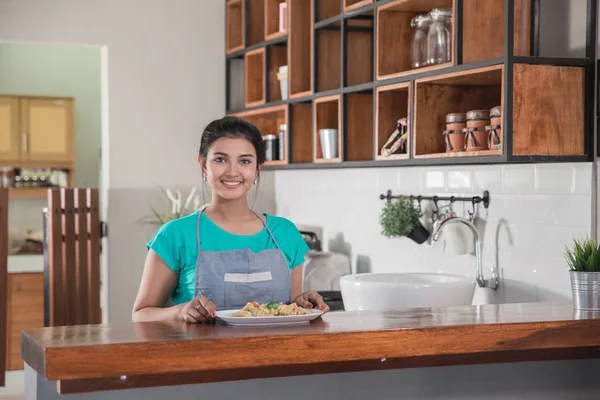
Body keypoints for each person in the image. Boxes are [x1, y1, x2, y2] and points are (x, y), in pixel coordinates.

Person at [132, 116, 330, 324]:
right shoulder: (174, 235)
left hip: (276, 355)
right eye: (220, 159)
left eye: (245, 161)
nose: (233, 172)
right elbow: (141, 315)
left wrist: (303, 304)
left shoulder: (285, 233)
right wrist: (180, 312)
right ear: (203, 165)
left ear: (257, 168)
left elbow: (288, 308)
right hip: (201, 355)